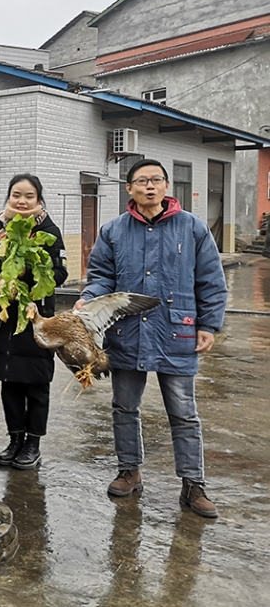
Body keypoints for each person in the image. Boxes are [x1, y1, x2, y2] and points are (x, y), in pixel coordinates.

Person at [76, 159, 227, 518]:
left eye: (156, 180)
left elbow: (210, 280)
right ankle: (129, 470)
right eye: (141, 181)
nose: (149, 186)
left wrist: (208, 325)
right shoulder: (113, 231)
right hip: (126, 334)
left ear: (166, 186)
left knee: (184, 412)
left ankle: (193, 484)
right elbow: (101, 276)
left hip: (177, 331)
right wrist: (90, 295)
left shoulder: (192, 228)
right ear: (129, 189)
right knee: (124, 406)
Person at [0, 173, 67, 470]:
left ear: (39, 199)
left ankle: (33, 444)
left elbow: (61, 273)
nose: (22, 201)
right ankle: (15, 439)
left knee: (37, 383)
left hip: (35, 317)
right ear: (8, 196)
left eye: (29, 196)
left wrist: (32, 274)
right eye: (16, 195)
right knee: (10, 381)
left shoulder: (48, 230)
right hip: (3, 318)